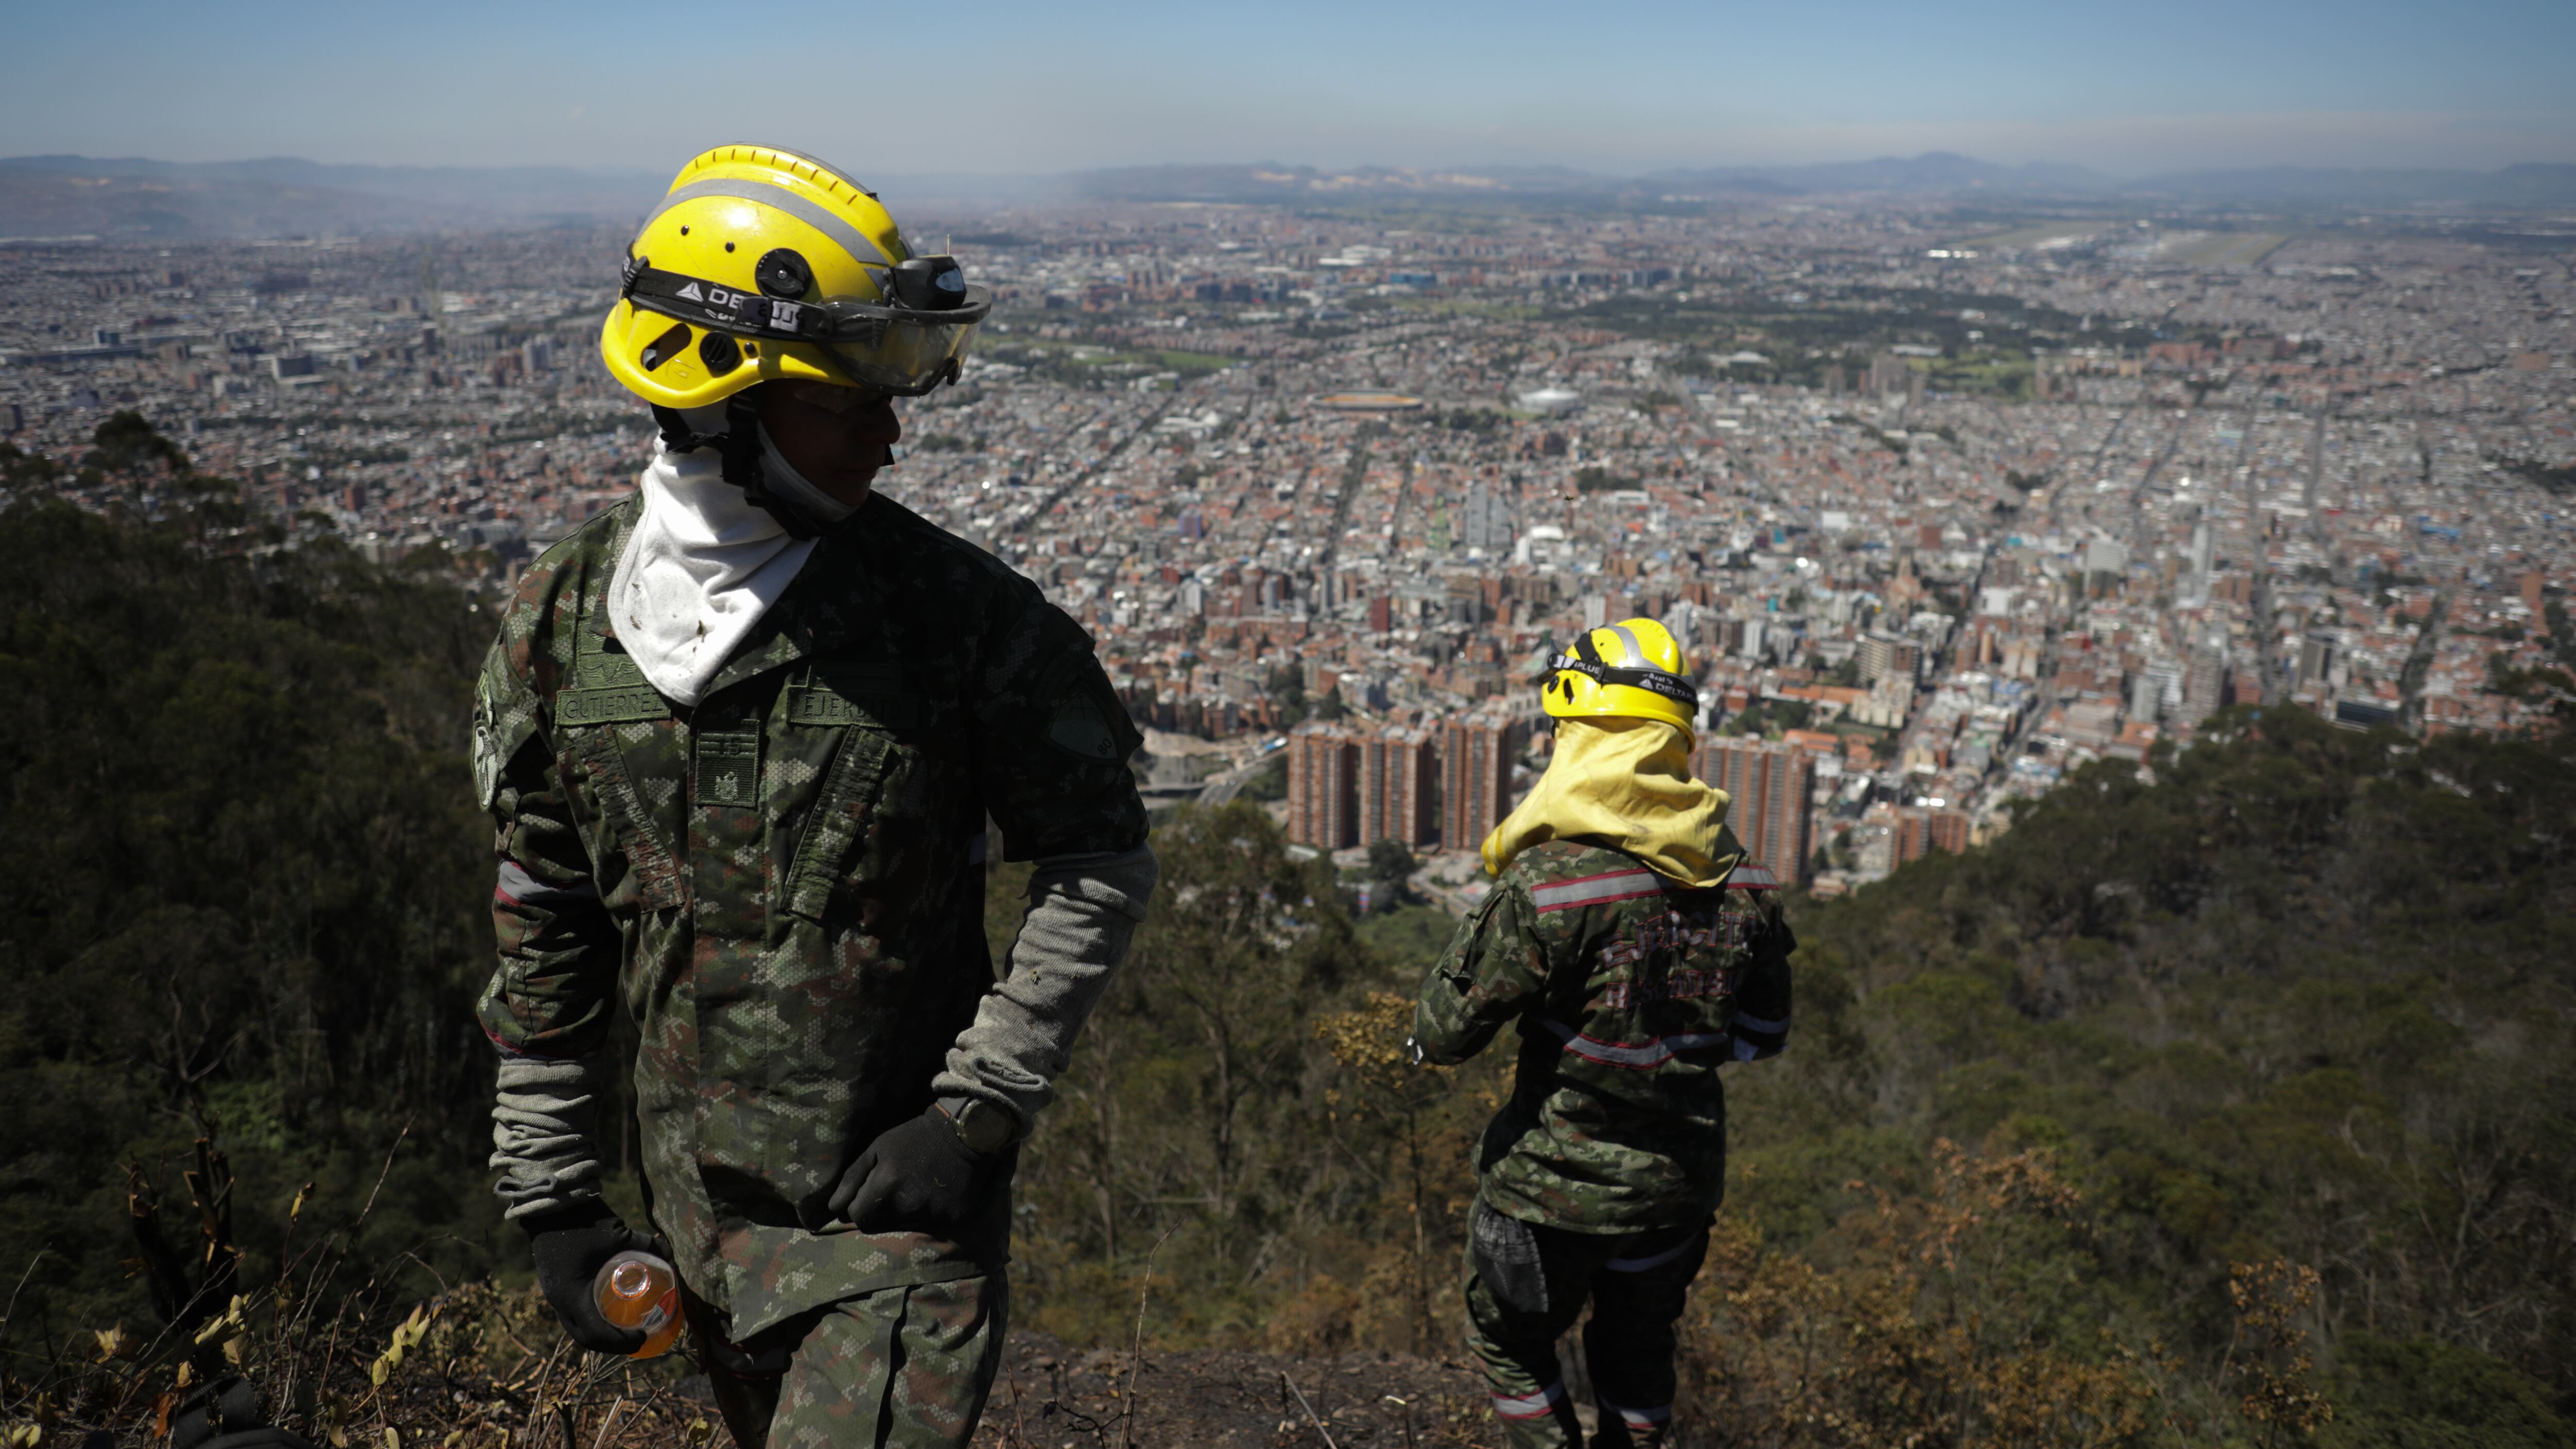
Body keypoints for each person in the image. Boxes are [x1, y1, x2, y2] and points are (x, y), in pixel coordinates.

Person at [472, 145, 1156, 1449]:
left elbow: (1101, 859)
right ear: (726, 395)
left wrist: (977, 1110)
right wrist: (554, 1197)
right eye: (851, 399)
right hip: (691, 1235)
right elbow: (545, 911)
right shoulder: (561, 627)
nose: (891, 432)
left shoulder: (957, 622)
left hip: (894, 1233)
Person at [1411, 619, 1794, 1449]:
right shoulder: (1748, 885)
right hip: (1676, 1192)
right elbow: (1764, 1033)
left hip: (1549, 1191)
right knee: (1638, 1354)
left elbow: (1441, 1034)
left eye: (1561, 731)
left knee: (1511, 1342)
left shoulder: (1549, 888)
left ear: (1584, 738)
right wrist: (1669, 1036)